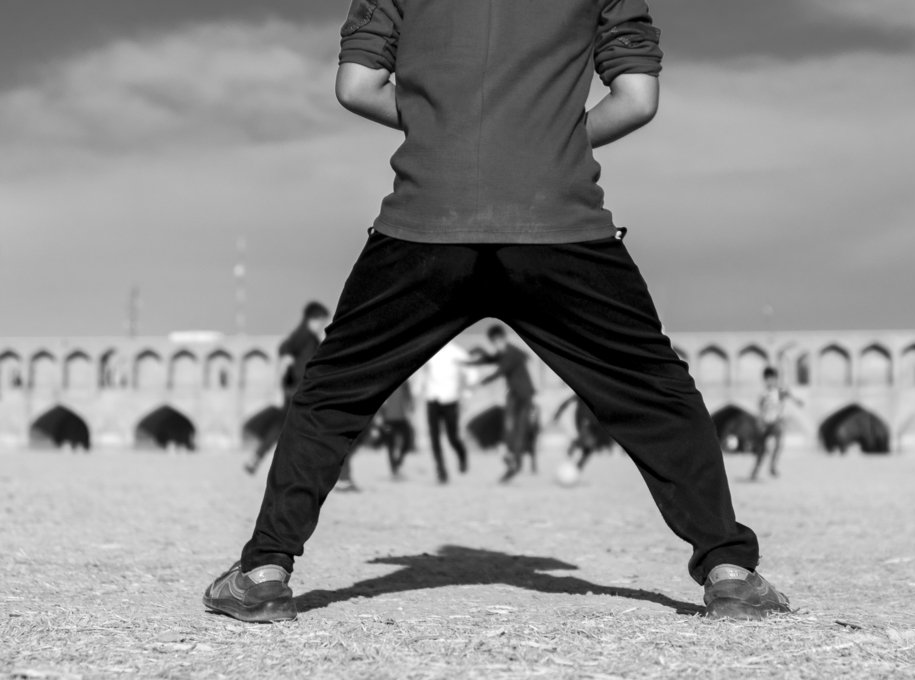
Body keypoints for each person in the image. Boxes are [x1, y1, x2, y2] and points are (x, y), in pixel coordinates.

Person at [204, 0, 789, 623]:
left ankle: (264, 572)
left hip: (426, 224)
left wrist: (445, 128)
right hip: (558, 223)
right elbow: (638, 98)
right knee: (655, 393)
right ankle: (729, 572)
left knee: (332, 394)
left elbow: (357, 86)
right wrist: (548, 140)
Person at [243, 301, 329, 475]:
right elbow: (285, 352)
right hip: (298, 392)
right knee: (306, 428)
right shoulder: (304, 335)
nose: (322, 326)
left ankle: (258, 458)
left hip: (300, 391)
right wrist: (278, 385)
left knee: (282, 427)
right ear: (314, 319)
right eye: (322, 321)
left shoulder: (309, 338)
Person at [469, 325, 537, 482]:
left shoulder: (511, 353)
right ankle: (511, 460)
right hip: (513, 395)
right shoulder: (506, 352)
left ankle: (516, 464)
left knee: (518, 429)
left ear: (503, 339)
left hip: (524, 396)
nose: (497, 345)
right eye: (494, 342)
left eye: (498, 341)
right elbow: (493, 359)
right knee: (508, 428)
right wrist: (480, 353)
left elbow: (500, 371)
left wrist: (480, 383)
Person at [420, 341, 472, 483]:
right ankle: (441, 470)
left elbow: (471, 373)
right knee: (434, 437)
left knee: (452, 437)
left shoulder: (457, 352)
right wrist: (417, 390)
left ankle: (462, 454)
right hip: (432, 399)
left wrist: (466, 394)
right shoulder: (429, 350)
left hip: (450, 400)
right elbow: (422, 372)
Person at [750, 367, 803, 480]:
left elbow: (789, 395)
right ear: (765, 380)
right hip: (765, 423)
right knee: (762, 450)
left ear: (775, 379)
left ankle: (773, 466)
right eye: (768, 379)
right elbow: (760, 409)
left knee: (779, 442)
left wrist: (797, 401)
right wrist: (760, 422)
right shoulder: (763, 394)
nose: (770, 381)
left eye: (772, 379)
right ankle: (755, 471)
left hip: (776, 422)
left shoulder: (779, 391)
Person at [552, 394, 614, 472]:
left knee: (590, 447)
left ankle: (577, 468)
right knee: (587, 442)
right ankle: (570, 454)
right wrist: (558, 414)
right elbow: (567, 402)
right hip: (584, 419)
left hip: (595, 423)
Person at [377, 380, 415, 479]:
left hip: (402, 419)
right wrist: (380, 416)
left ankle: (398, 462)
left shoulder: (405, 382)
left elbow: (409, 397)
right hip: (388, 420)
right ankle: (394, 470)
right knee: (390, 444)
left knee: (407, 442)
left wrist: (411, 408)